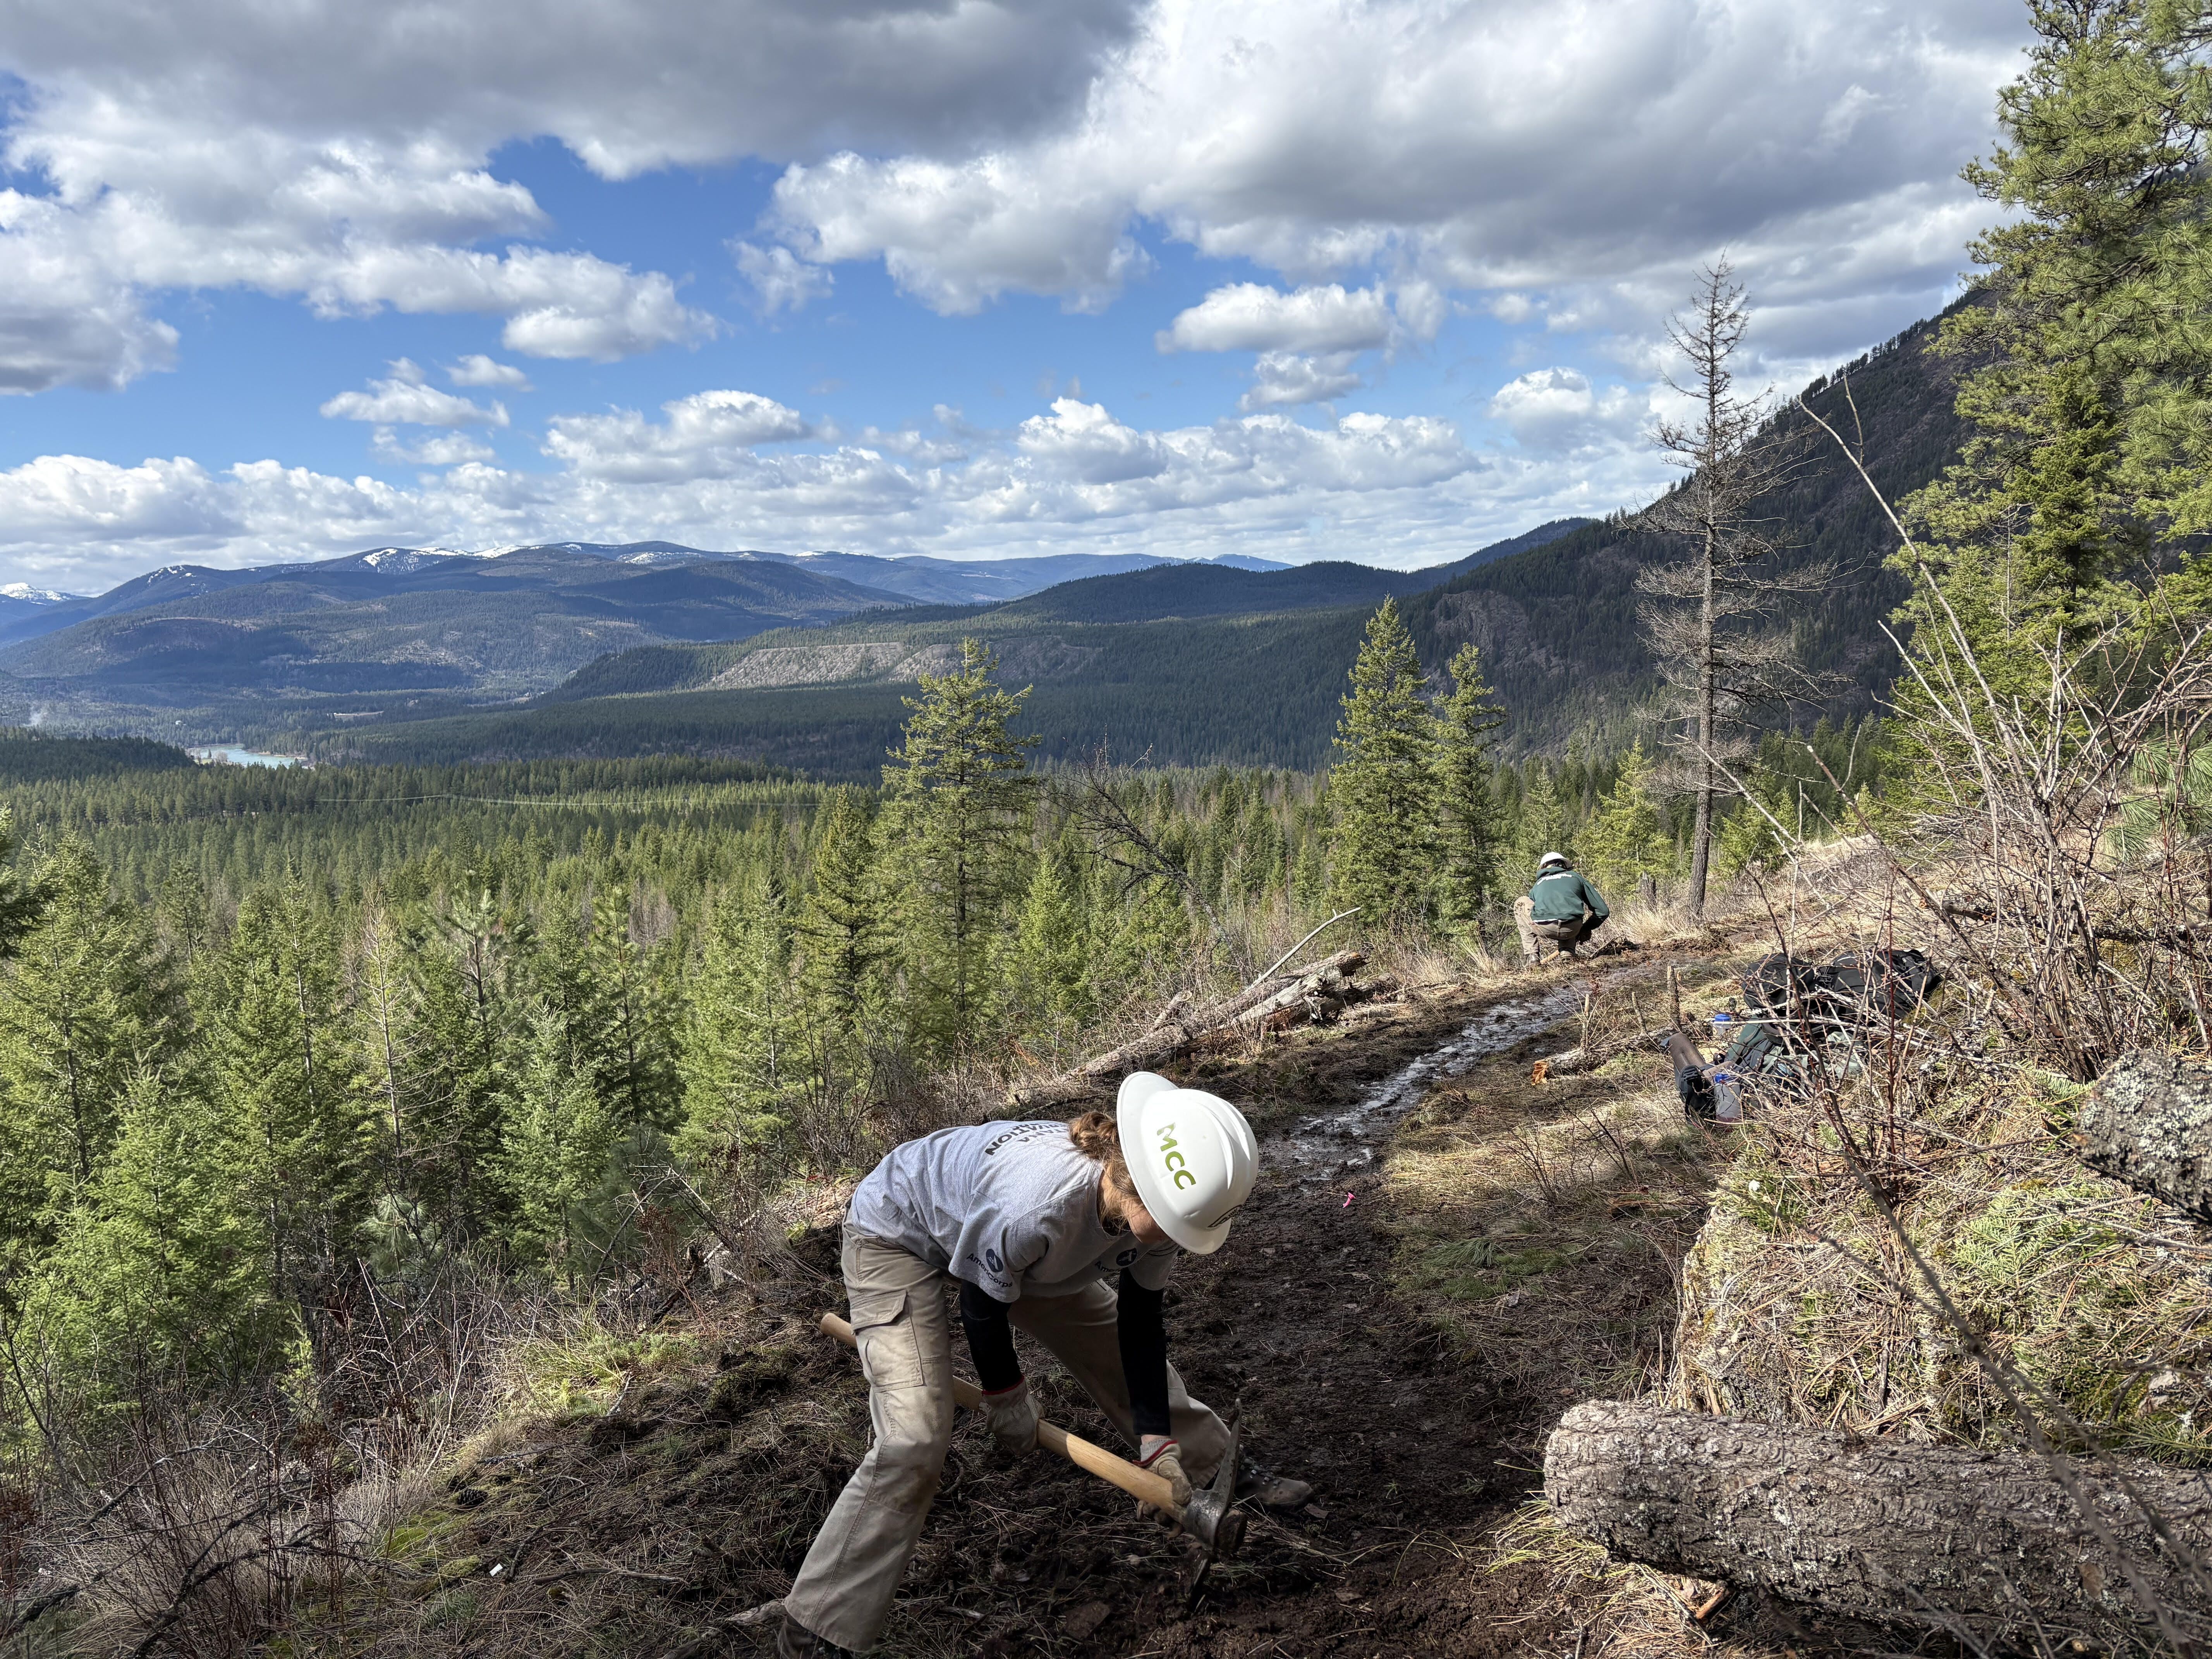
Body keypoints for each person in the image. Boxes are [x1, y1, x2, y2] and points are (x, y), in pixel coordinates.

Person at [777, 1073, 1311, 1657]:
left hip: (1019, 1250)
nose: (1183, 1238)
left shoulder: (1162, 1215)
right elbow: (981, 1304)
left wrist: (1157, 1444)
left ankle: (1208, 1472)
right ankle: (816, 1629)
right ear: (1139, 1187)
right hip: (899, 1232)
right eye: (1179, 1224)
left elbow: (1139, 1321)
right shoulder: (1039, 1206)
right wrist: (1007, 1395)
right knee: (915, 1438)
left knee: (1107, 1340)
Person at [1514, 851, 1610, 965]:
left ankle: (1532, 957)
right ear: (1564, 866)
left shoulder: (1538, 884)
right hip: (1572, 929)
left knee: (1520, 903)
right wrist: (1585, 928)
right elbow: (1603, 911)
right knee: (1567, 912)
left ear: (1544, 868)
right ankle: (1567, 953)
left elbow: (1537, 910)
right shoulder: (1576, 877)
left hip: (1543, 927)